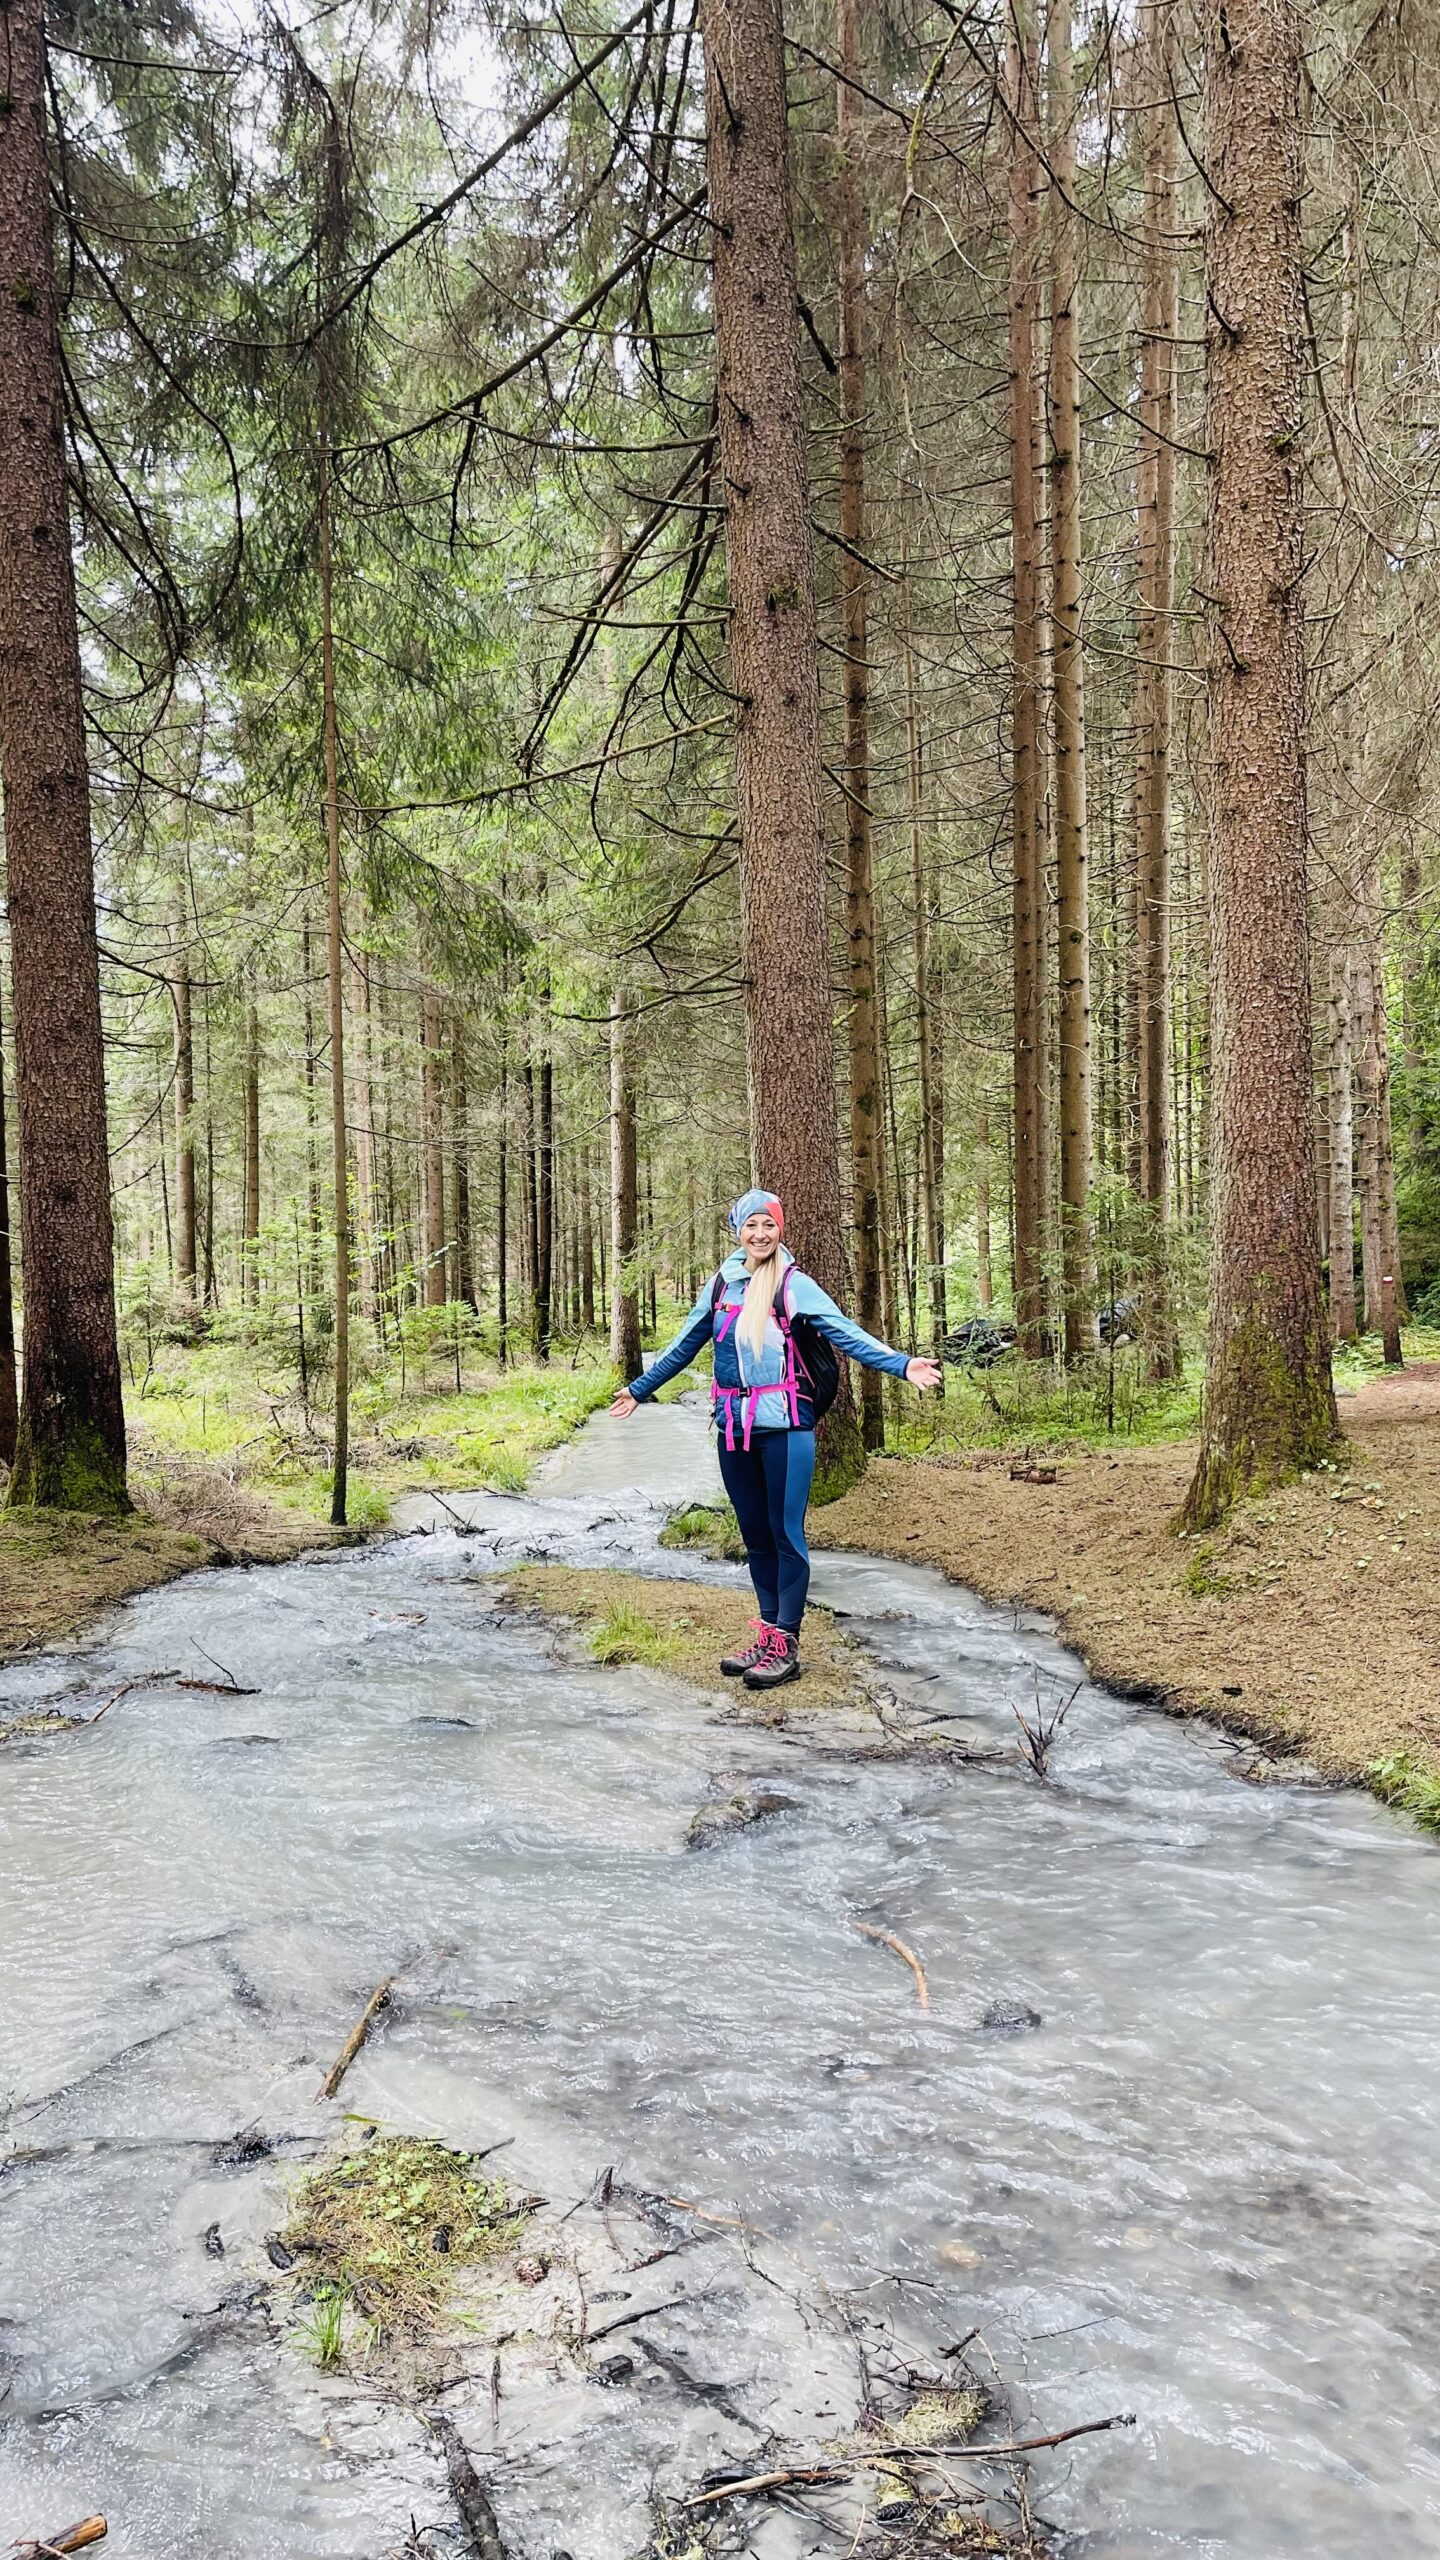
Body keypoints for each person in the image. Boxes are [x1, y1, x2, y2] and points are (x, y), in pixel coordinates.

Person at [608, 1188, 941, 1688]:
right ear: (737, 1231)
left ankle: (787, 1643)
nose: (761, 1234)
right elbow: (684, 1344)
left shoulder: (793, 1284)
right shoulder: (722, 1284)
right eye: (751, 1226)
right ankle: (767, 1634)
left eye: (769, 1225)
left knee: (786, 1535)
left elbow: (844, 1332)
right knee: (755, 1537)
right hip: (734, 1428)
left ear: (779, 1229)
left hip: (787, 1428)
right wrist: (639, 1389)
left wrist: (901, 1363)